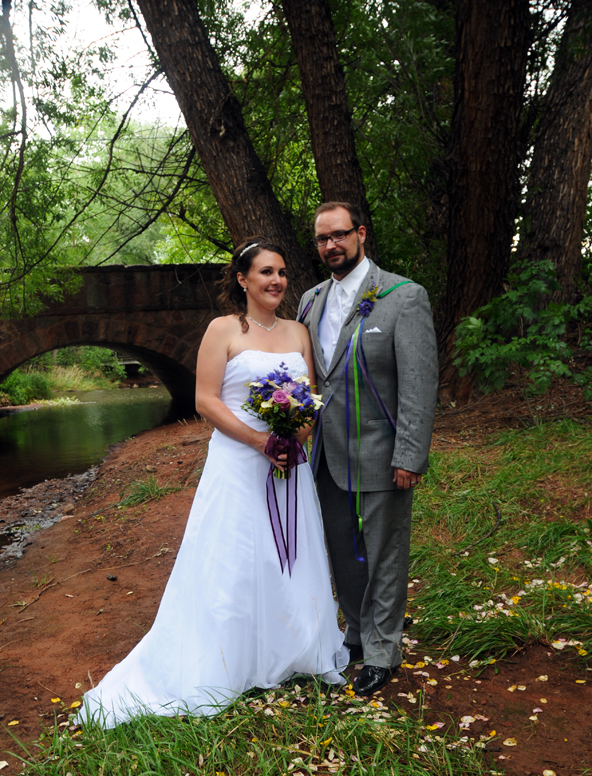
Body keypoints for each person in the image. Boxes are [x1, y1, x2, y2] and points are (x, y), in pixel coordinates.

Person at [82, 237, 348, 727]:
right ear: (243, 279)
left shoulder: (297, 332)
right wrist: (260, 441)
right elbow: (206, 401)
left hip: (289, 464)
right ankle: (227, 660)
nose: (276, 281)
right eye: (266, 272)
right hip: (238, 462)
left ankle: (292, 649)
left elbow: (309, 395)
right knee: (234, 553)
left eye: (283, 272)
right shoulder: (222, 329)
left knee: (289, 550)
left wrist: (296, 435)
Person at [298, 202, 438, 696]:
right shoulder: (310, 300)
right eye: (322, 239)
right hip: (325, 456)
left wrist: (410, 454)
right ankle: (356, 634)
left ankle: (383, 650)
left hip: (383, 450)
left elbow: (419, 384)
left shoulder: (404, 296)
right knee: (340, 550)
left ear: (360, 234)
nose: (331, 245)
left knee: (383, 552)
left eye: (339, 235)